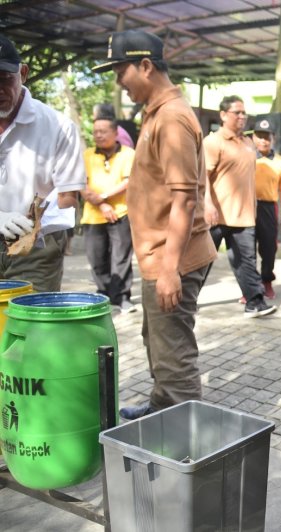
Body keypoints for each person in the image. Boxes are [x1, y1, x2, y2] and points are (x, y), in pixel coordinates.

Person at [93, 29, 217, 420]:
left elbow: (184, 198)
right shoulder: (157, 114)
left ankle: (184, 447)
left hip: (173, 258)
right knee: (159, 342)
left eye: (120, 70)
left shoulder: (173, 118)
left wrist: (168, 272)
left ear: (145, 66)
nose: (118, 81)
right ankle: (163, 409)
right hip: (161, 258)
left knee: (173, 356)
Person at [0, 34, 84, 292]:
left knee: (28, 322)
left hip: (35, 248)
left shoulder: (59, 128)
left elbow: (68, 198)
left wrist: (34, 225)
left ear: (23, 73)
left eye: (5, 79)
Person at [203, 96, 276, 317]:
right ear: (223, 115)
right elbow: (202, 175)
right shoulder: (213, 142)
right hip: (216, 215)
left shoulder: (247, 143)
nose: (242, 116)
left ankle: (255, 302)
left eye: (244, 112)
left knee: (247, 261)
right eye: (237, 112)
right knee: (201, 262)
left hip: (244, 216)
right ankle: (184, 303)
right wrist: (207, 204)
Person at [81, 116, 137, 312]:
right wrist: (102, 204)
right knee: (96, 258)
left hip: (121, 213)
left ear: (115, 133)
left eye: (103, 131)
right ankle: (104, 295)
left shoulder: (128, 153)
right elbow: (81, 182)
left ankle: (122, 297)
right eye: (95, 131)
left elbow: (128, 181)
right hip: (93, 215)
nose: (98, 135)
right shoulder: (87, 154)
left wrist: (103, 197)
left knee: (121, 258)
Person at [252, 116, 281, 299]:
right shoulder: (248, 157)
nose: (263, 140)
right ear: (253, 137)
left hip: (268, 208)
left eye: (267, 137)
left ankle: (266, 281)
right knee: (246, 250)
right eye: (259, 136)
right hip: (247, 206)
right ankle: (250, 288)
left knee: (269, 249)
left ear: (273, 138)